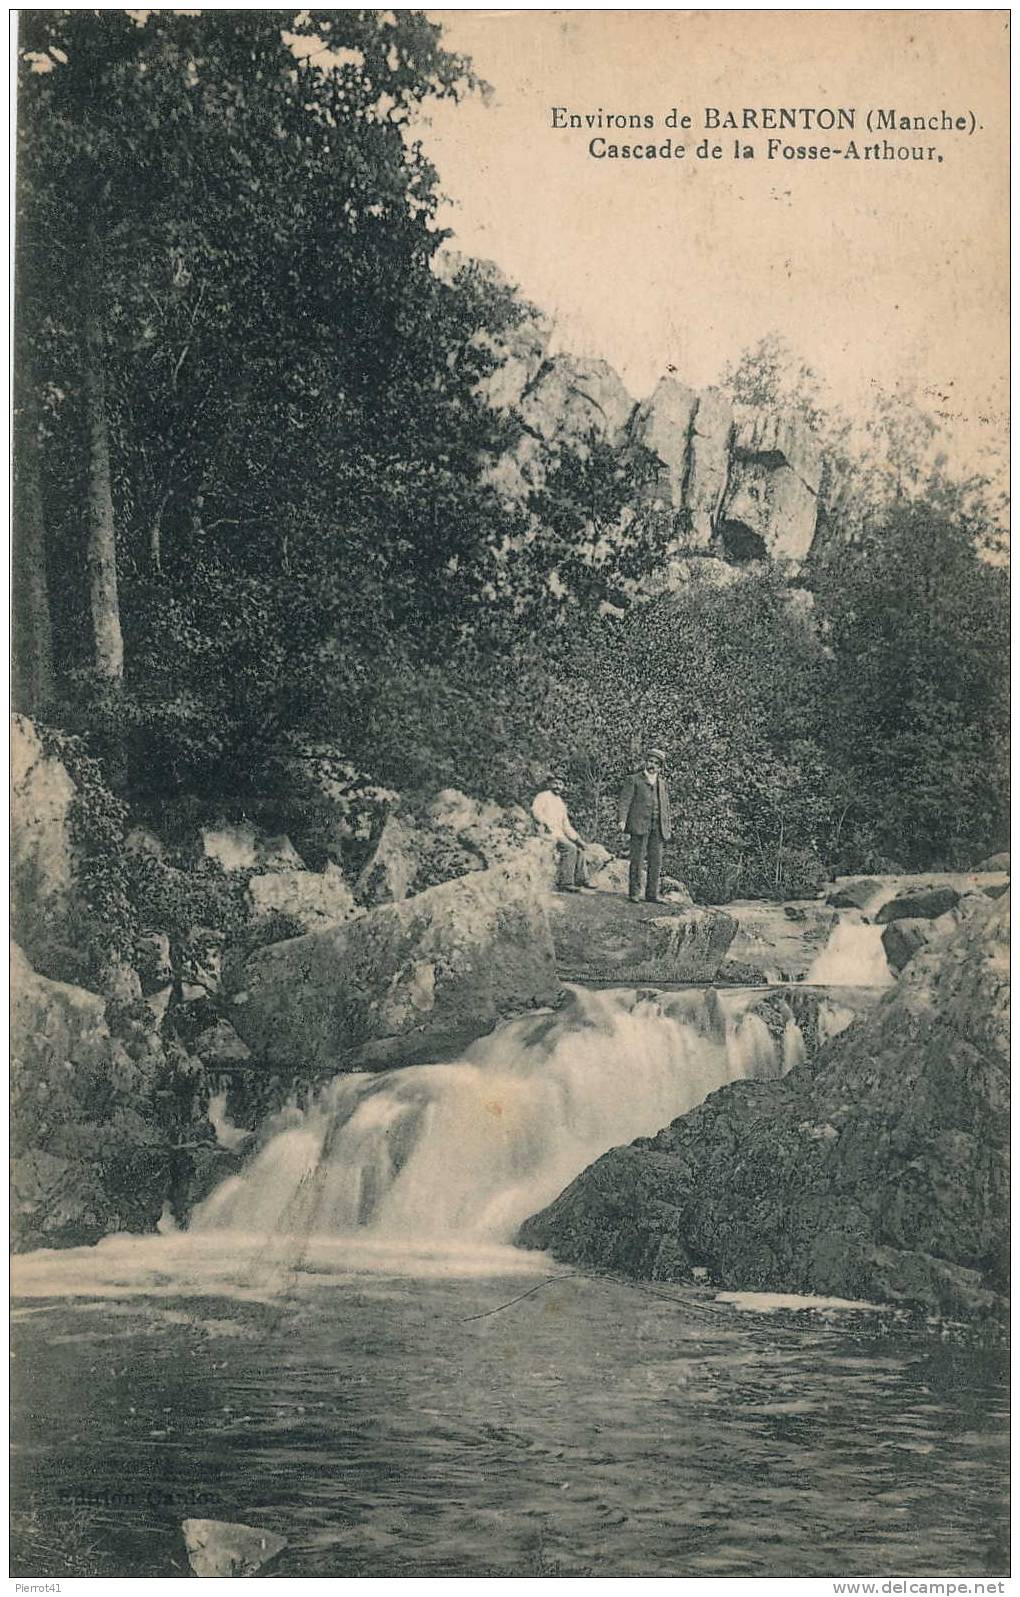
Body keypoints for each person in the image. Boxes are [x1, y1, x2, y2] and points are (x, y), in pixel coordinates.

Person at [617, 747, 672, 903]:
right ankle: (634, 893)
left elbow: (665, 806)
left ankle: (652, 894)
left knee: (656, 861)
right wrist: (622, 820)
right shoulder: (634, 780)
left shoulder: (662, 783)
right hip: (639, 825)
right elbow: (624, 802)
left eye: (656, 763)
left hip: (658, 827)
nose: (652, 765)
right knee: (637, 860)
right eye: (650, 761)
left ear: (660, 767)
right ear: (645, 762)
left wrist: (667, 826)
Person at [531, 773, 594, 893]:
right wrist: (545, 823)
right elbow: (536, 812)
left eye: (560, 784)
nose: (557, 786)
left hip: (558, 833)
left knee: (579, 848)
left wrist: (578, 839)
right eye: (555, 783)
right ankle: (565, 882)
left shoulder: (560, 802)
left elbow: (566, 825)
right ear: (549, 784)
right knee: (570, 848)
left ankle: (582, 879)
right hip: (546, 832)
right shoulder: (543, 796)